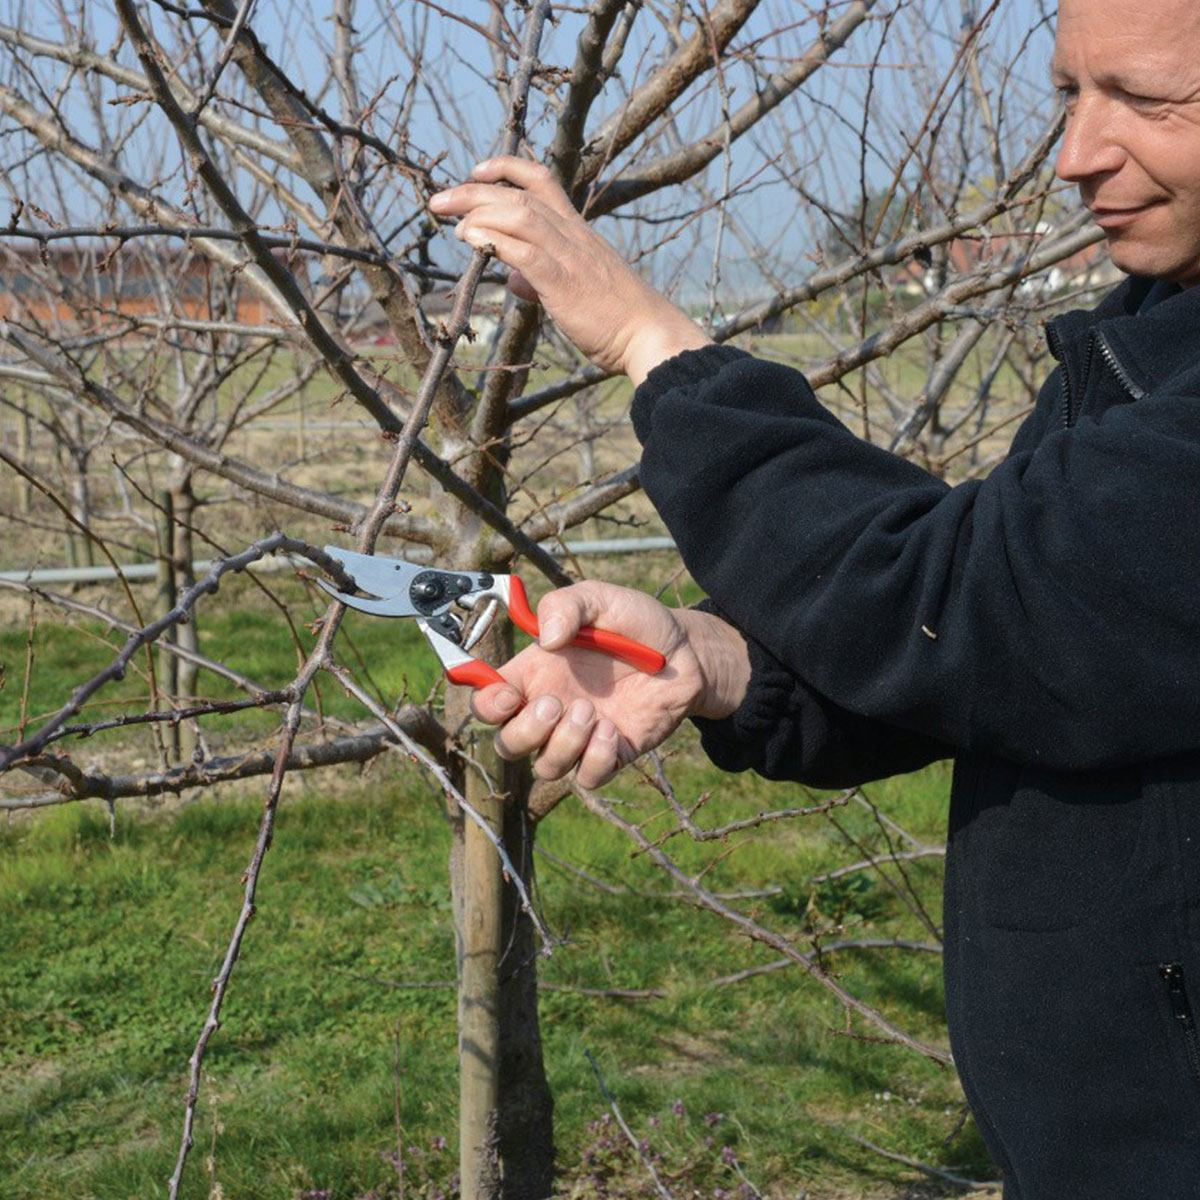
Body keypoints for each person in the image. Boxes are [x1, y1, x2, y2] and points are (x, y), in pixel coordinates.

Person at [428, 0, 1200, 1194]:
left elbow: (946, 600)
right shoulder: (1153, 334)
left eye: (1146, 102)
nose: (1077, 154)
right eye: (1066, 93)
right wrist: (714, 662)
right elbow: (1025, 646)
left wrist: (653, 345)